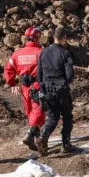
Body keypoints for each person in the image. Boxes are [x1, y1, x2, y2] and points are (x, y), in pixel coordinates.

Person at [35, 26, 77, 156]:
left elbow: (39, 74)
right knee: (67, 116)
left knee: (53, 117)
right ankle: (66, 144)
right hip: (62, 89)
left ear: (53, 37)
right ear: (65, 38)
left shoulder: (44, 52)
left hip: (48, 88)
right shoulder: (65, 53)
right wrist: (66, 82)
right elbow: (70, 74)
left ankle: (43, 137)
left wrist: (43, 90)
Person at [4, 26, 45, 151]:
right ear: (37, 38)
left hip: (24, 87)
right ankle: (30, 133)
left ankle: (38, 140)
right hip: (37, 85)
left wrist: (12, 83)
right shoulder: (42, 52)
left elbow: (8, 69)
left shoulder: (17, 54)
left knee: (30, 111)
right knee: (38, 110)